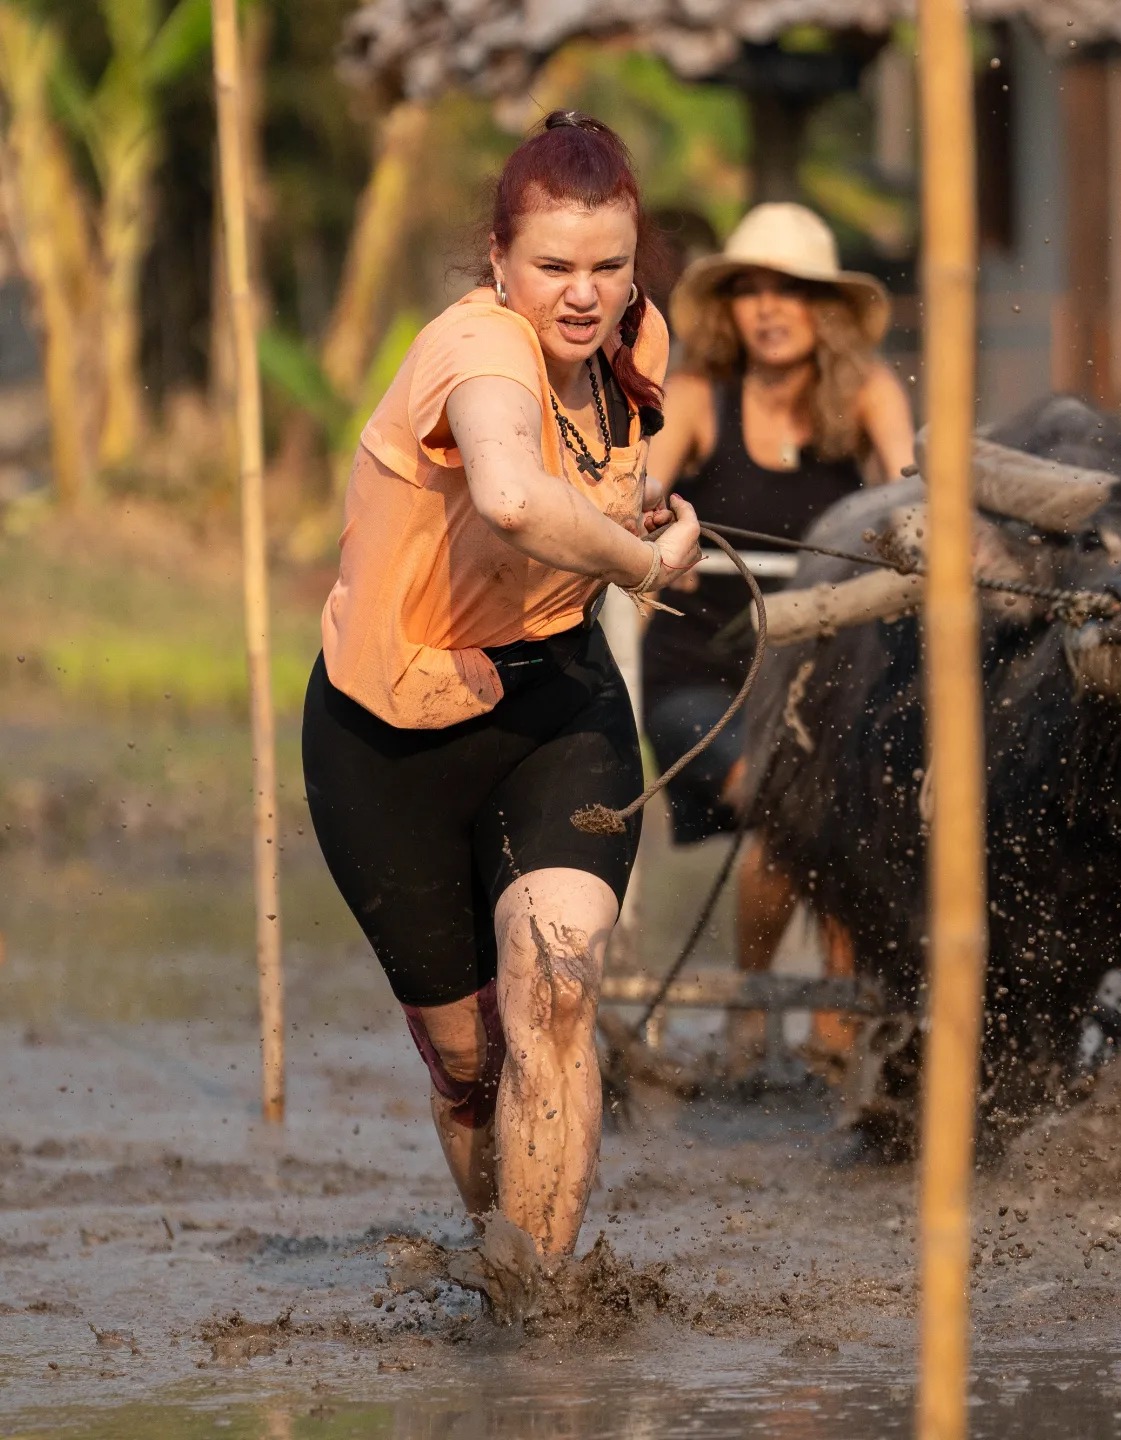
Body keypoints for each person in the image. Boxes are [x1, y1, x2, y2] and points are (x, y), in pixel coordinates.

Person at [301, 112, 700, 1259]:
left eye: (609, 268)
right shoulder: (475, 350)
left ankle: (545, 1312)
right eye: (555, 268)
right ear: (499, 263)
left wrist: (642, 516)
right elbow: (517, 494)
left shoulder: (639, 348)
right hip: (390, 735)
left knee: (559, 995)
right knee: (473, 1063)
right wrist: (639, 569)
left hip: (556, 709)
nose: (585, 296)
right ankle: (501, 1270)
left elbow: (592, 487)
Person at [641, 203, 915, 1073]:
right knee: (782, 801)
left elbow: (913, 502)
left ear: (824, 308)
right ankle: (754, 1013)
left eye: (790, 291)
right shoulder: (694, 398)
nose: (768, 308)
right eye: (750, 290)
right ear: (728, 308)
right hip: (700, 671)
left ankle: (837, 1017)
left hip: (827, 673)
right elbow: (636, 494)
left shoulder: (869, 393)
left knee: (847, 808)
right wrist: (653, 540)